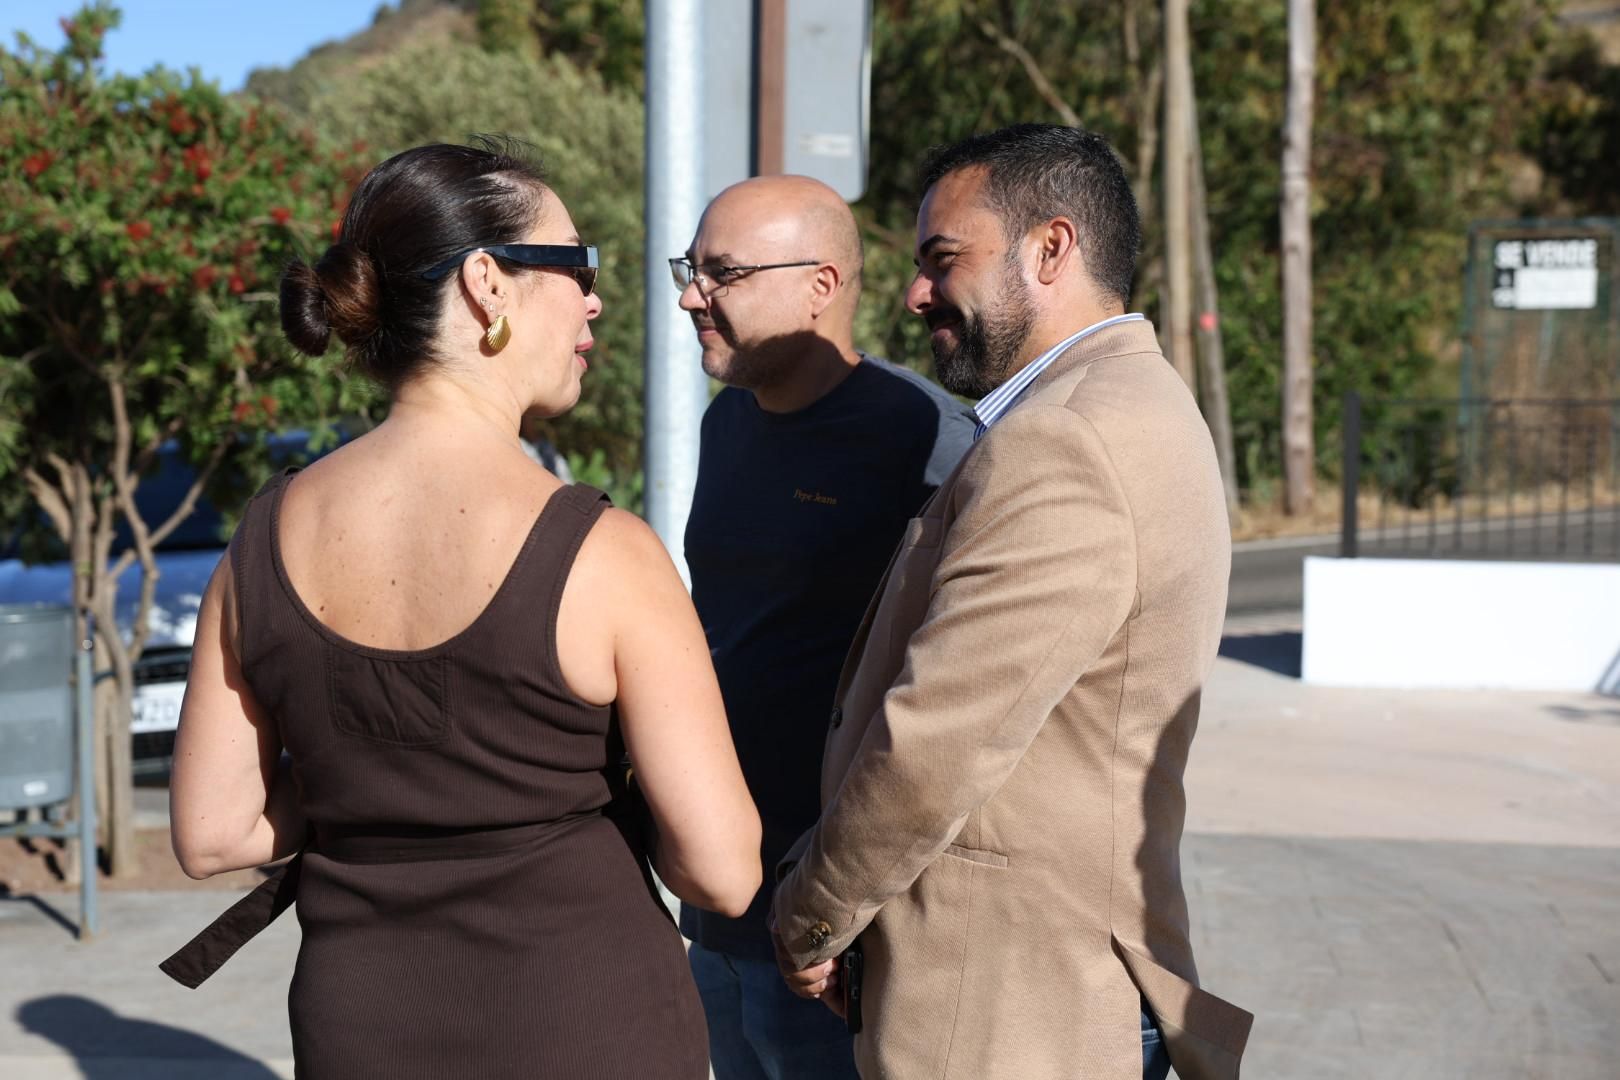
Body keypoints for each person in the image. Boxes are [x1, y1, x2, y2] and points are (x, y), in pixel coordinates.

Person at [163, 139, 761, 1080]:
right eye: (578, 265)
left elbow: (214, 834)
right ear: (489, 284)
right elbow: (723, 872)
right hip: (586, 1025)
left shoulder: (262, 543)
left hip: (360, 1029)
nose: (594, 298)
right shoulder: (603, 554)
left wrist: (373, 783)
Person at [771, 124, 1253, 1079]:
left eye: (942, 260)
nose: (914, 294)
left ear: (1051, 248)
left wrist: (811, 913)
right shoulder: (1135, 404)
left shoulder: (1066, 439)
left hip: (1011, 1015)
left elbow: (940, 738)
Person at [672, 175, 975, 1080]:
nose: (692, 295)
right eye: (691, 269)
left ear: (822, 284)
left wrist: (850, 909)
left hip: (837, 941)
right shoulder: (726, 426)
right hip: (720, 910)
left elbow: (951, 701)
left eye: (722, 272)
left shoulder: (929, 440)